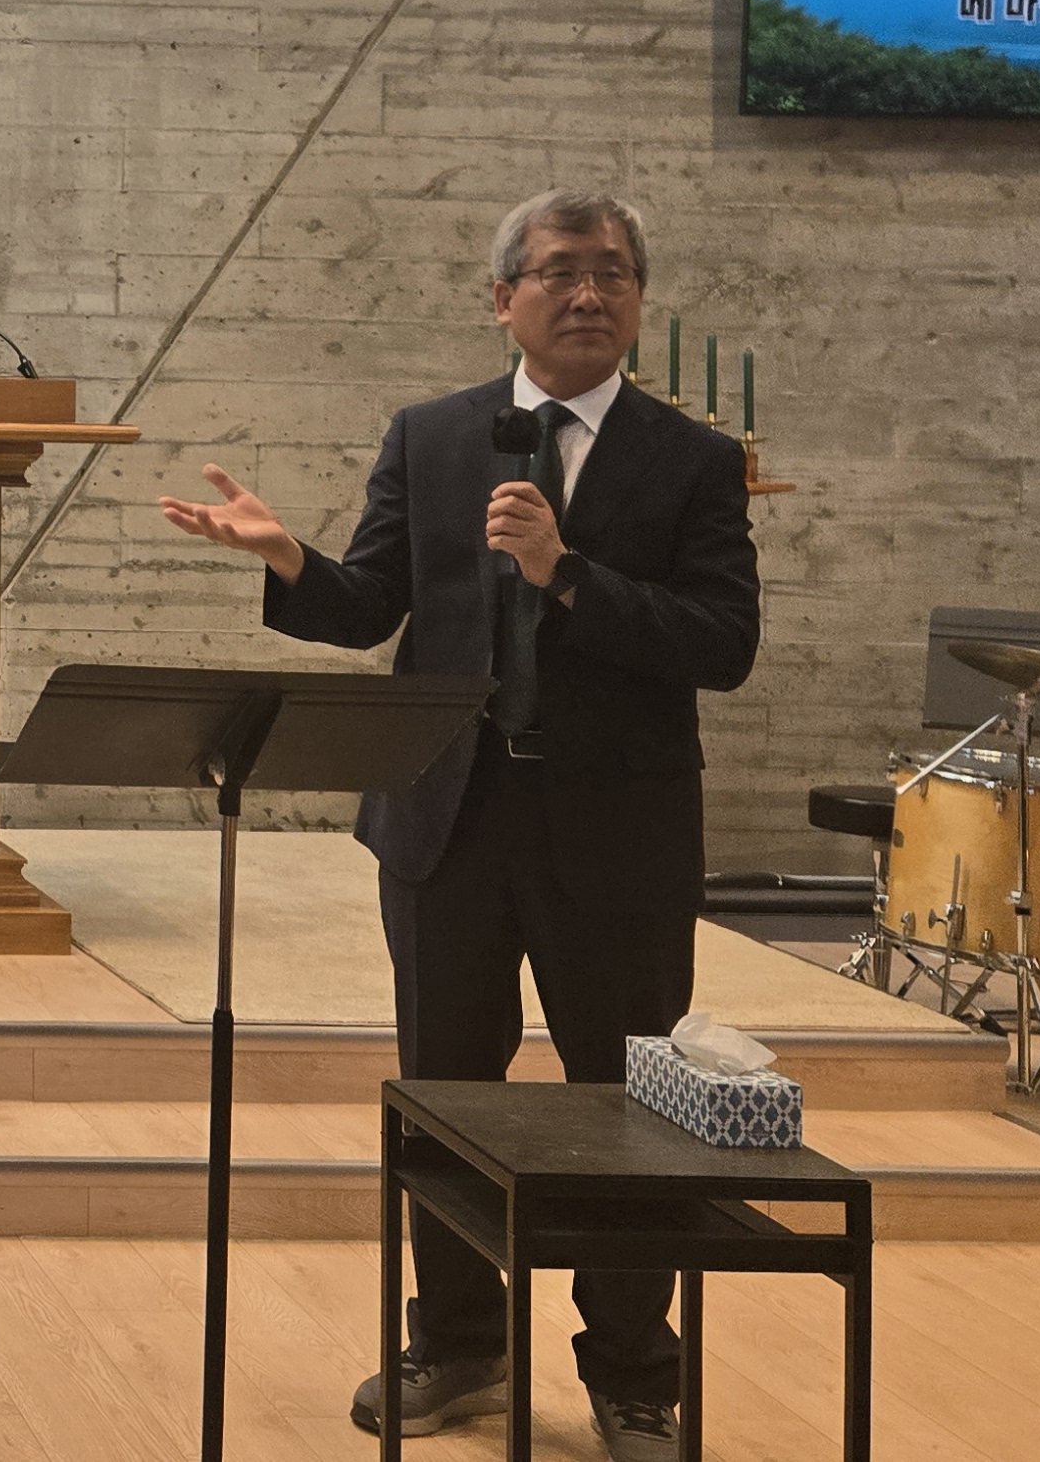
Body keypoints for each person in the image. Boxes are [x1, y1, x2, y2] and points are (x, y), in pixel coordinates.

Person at [159, 188, 756, 1462]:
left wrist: (566, 573)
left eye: (612, 272)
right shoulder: (430, 436)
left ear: (639, 300)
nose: (588, 292)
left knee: (627, 1104)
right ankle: (460, 1339)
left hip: (618, 835)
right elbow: (371, 604)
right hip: (449, 821)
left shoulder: (693, 459)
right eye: (560, 271)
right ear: (503, 300)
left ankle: (633, 1371)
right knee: (443, 1092)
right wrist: (286, 558)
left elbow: (723, 641)